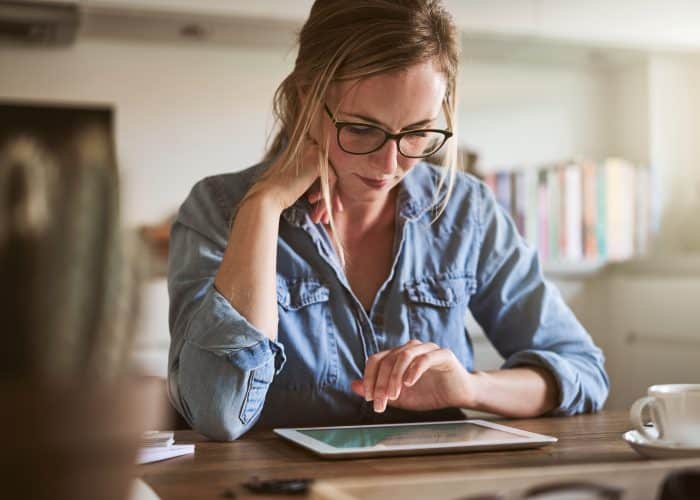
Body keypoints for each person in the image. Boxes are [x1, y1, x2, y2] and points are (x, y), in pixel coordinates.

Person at [167, 0, 609, 441]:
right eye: (361, 129)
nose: (389, 163)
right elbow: (217, 413)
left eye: (418, 132)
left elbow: (583, 371)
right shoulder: (219, 210)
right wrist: (262, 207)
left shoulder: (465, 210)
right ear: (307, 96)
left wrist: (472, 388)